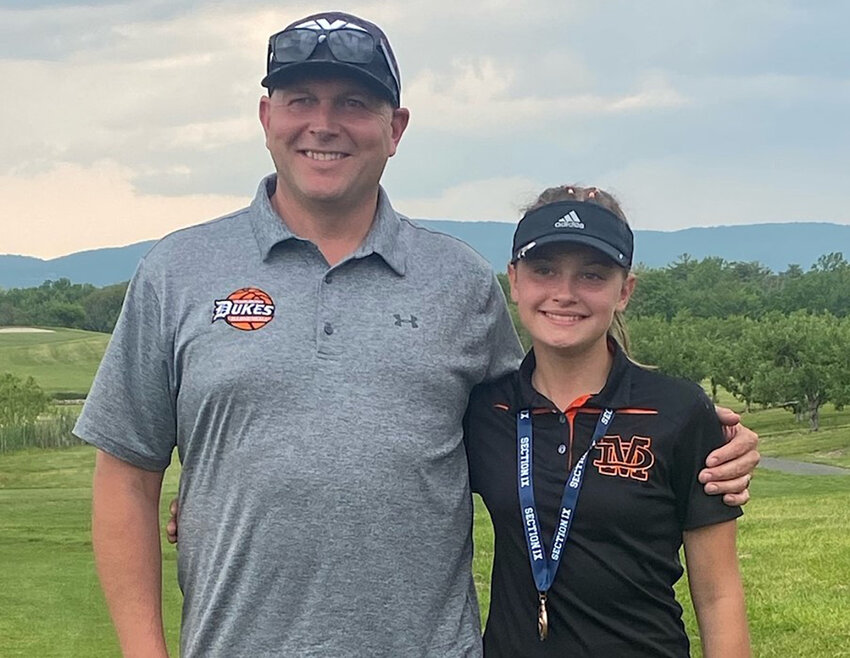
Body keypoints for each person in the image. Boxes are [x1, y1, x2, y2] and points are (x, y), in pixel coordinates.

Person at [76, 11, 757, 658]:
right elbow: (127, 475)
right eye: (301, 99)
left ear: (395, 127)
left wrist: (699, 439)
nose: (324, 124)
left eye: (353, 103)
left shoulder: (457, 279)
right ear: (266, 117)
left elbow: (547, 406)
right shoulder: (178, 270)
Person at [464, 185, 750, 657]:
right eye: (544, 271)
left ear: (625, 291)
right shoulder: (484, 411)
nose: (564, 293)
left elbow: (719, 595)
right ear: (513, 281)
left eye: (592, 275)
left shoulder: (678, 411)